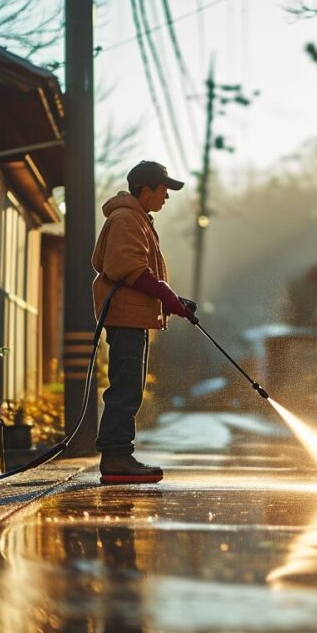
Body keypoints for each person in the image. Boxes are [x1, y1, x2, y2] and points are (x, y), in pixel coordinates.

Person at [91, 160, 197, 484]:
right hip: (126, 317)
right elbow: (131, 269)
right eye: (164, 190)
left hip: (132, 316)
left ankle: (119, 455)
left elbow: (138, 271)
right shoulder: (126, 219)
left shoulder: (136, 219)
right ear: (147, 190)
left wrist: (173, 300)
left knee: (129, 387)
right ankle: (116, 457)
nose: (166, 197)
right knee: (125, 388)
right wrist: (168, 297)